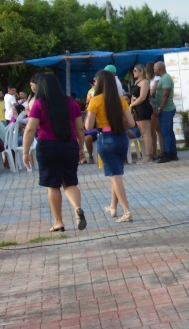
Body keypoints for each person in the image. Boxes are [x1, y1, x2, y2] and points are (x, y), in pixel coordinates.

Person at [23, 72, 87, 232]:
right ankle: (77, 208)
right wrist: (81, 147)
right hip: (69, 146)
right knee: (70, 182)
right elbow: (80, 128)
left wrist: (25, 152)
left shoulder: (39, 104)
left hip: (47, 147)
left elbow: (30, 128)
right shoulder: (71, 102)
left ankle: (58, 222)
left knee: (53, 185)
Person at [85, 70, 137, 222]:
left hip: (106, 137)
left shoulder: (95, 101)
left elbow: (88, 125)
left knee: (115, 175)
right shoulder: (120, 100)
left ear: (99, 83)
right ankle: (113, 206)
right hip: (121, 138)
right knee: (116, 172)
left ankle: (126, 211)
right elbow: (131, 123)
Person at [129, 63, 156, 162]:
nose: (133, 72)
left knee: (146, 133)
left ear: (141, 71)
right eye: (133, 70)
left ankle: (148, 156)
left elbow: (142, 97)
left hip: (143, 108)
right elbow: (134, 96)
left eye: (135, 70)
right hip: (137, 109)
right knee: (143, 132)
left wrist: (132, 105)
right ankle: (148, 154)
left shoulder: (144, 82)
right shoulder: (137, 82)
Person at [154, 60, 178, 162]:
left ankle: (167, 154)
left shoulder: (166, 79)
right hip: (166, 109)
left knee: (165, 132)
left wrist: (160, 108)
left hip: (166, 109)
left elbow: (165, 95)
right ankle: (173, 153)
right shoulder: (163, 78)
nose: (154, 70)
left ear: (159, 68)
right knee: (169, 132)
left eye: (154, 68)